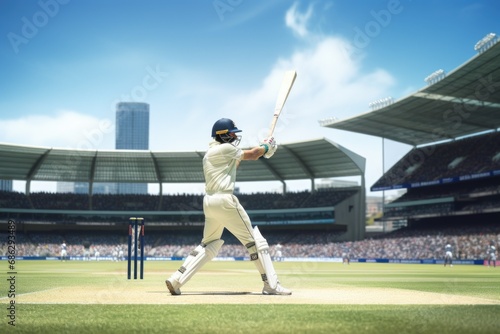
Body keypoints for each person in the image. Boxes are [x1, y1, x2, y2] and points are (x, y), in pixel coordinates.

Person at [165, 118, 291, 295]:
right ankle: (271, 284)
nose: (234, 135)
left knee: (209, 244)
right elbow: (253, 154)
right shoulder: (227, 148)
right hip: (225, 200)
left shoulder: (211, 152)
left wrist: (263, 149)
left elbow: (236, 163)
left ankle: (176, 279)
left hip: (209, 203)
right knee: (255, 242)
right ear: (222, 134)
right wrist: (267, 147)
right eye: (232, 133)